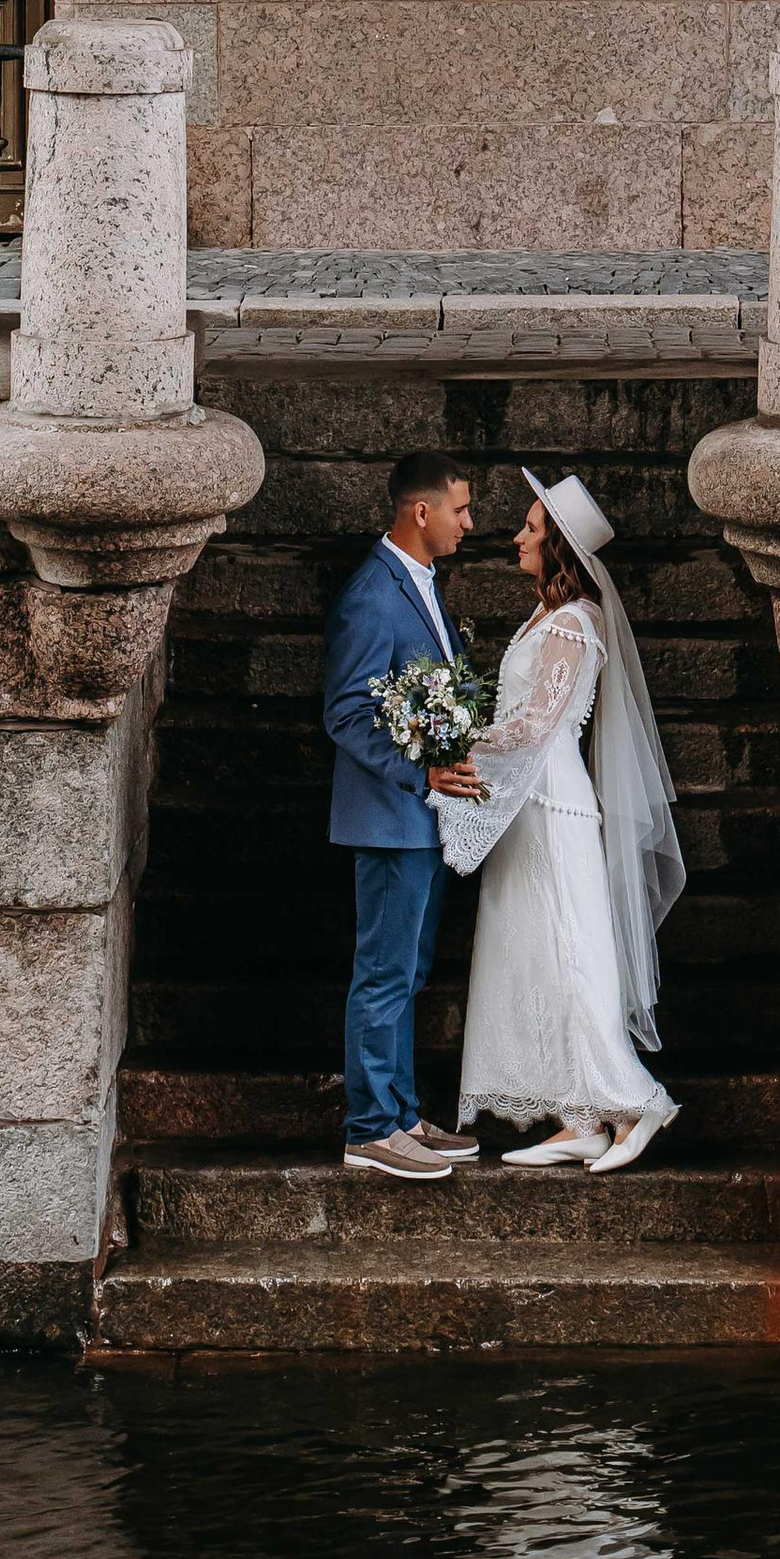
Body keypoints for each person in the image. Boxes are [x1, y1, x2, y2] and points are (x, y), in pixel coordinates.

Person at [440, 470, 686, 1173]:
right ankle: (578, 1120)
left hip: (551, 805)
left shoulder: (576, 621)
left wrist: (455, 744)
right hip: (528, 804)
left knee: (571, 952)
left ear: (558, 547)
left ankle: (634, 1104)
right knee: (537, 956)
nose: (517, 538)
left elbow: (537, 722)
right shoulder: (545, 616)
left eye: (531, 528)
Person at [320, 450, 484, 1180]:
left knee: (409, 974)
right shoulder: (371, 594)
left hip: (422, 818)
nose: (468, 523)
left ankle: (402, 1113)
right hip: (389, 816)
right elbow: (347, 713)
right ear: (423, 511)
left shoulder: (421, 583)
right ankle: (369, 1129)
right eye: (461, 509)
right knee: (384, 975)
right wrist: (421, 773)